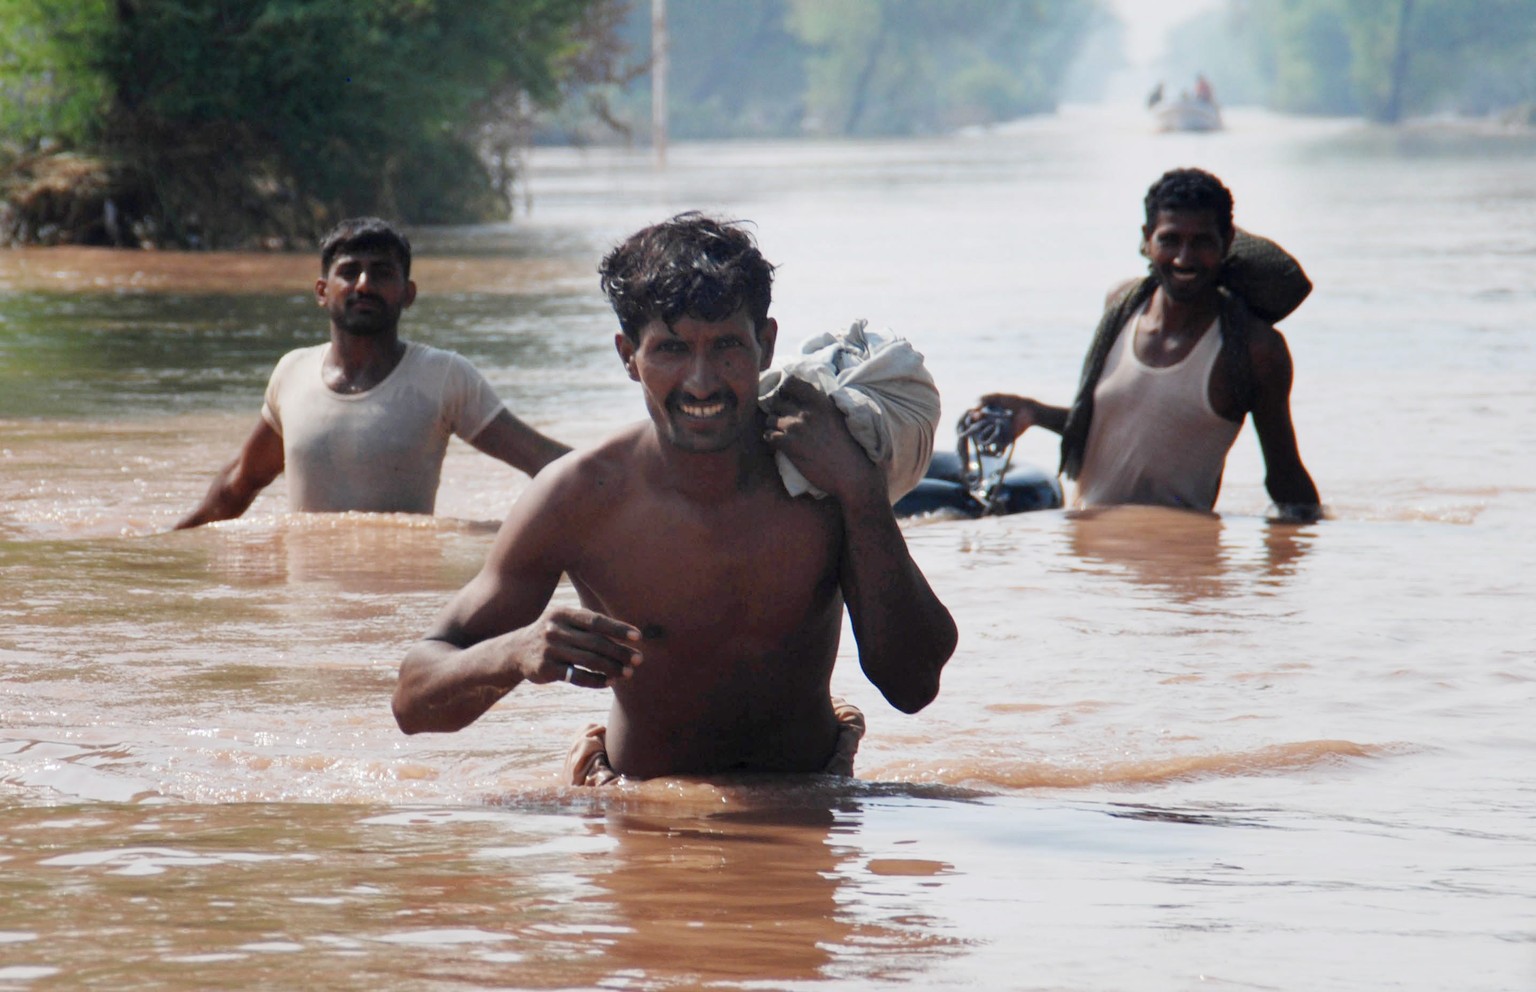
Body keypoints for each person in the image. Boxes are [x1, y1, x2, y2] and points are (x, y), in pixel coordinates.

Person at [392, 212, 958, 783]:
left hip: (812, 796)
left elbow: (913, 686)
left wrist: (862, 493)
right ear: (627, 357)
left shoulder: (821, 475)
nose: (702, 381)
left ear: (766, 345)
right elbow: (412, 702)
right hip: (639, 807)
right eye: (671, 349)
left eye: (727, 346)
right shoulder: (579, 496)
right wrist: (515, 651)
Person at [966, 168, 1322, 522]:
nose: (1184, 258)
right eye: (1170, 240)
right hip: (1087, 556)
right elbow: (1113, 429)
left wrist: (1313, 553)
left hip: (1180, 560)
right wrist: (1032, 412)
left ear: (1227, 242)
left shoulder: (1255, 350)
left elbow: (1285, 475)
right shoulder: (1122, 306)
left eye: (1201, 242)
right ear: (1147, 239)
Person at [175, 217, 568, 529]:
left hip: (399, 603)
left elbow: (546, 462)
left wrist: (624, 480)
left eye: (381, 273)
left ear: (408, 293)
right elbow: (238, 486)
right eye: (349, 272)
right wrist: (158, 553)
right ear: (322, 291)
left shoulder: (442, 376)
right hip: (306, 606)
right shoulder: (292, 372)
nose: (364, 285)